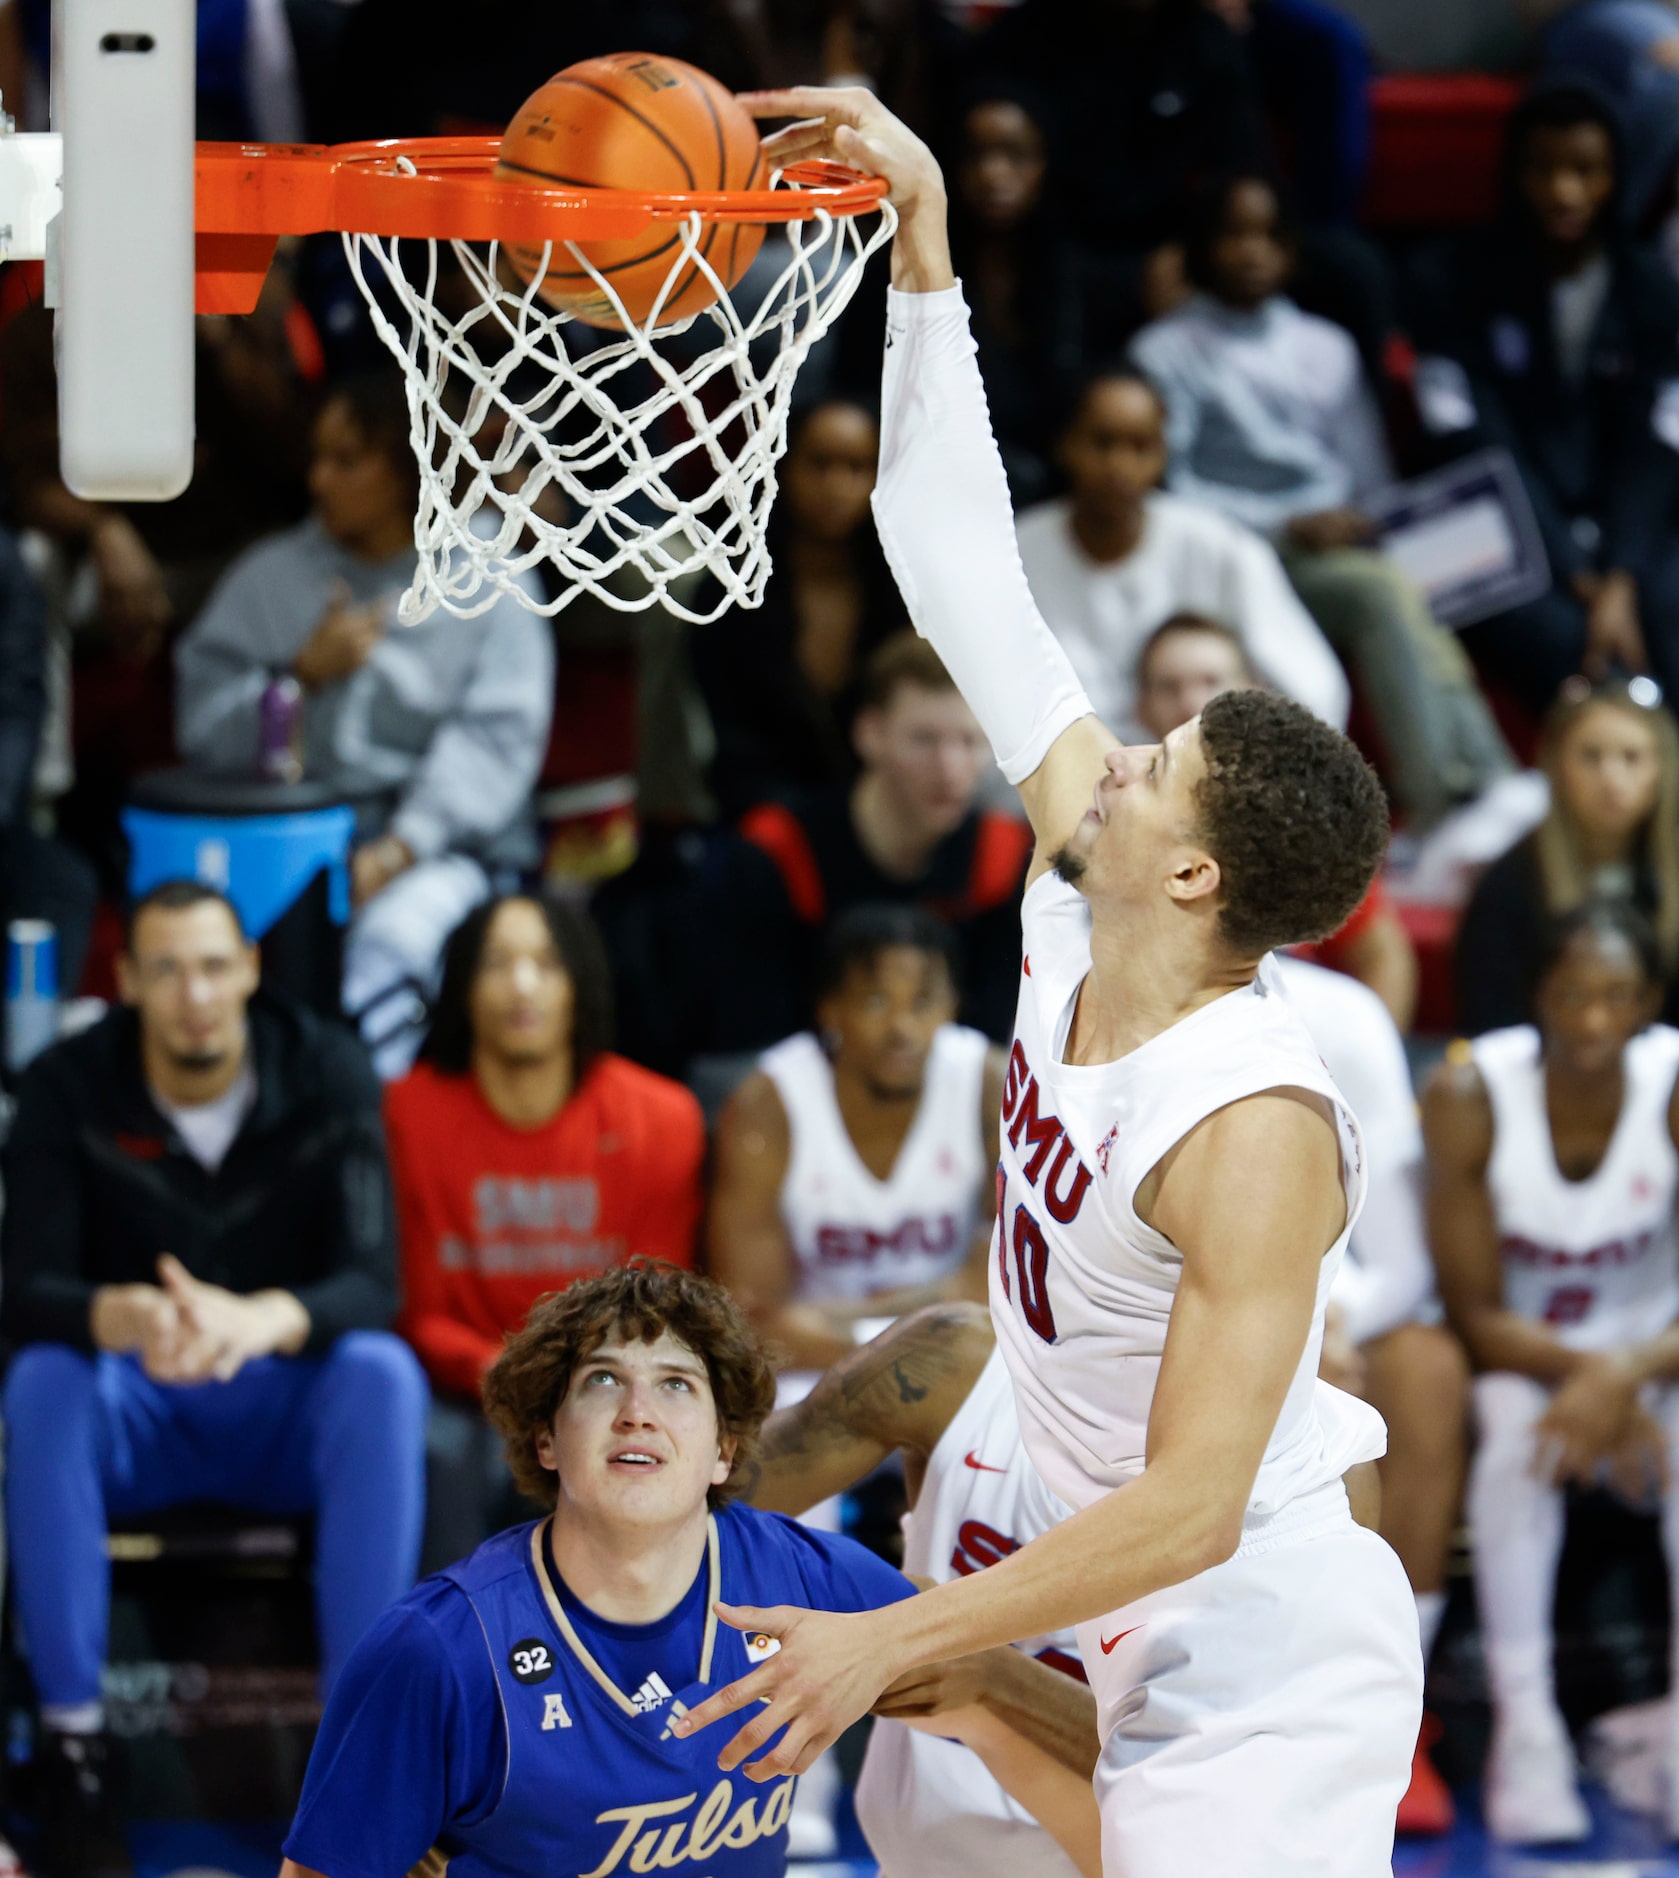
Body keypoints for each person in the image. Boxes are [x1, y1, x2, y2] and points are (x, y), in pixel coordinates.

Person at [668, 85, 1421, 1878]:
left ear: (1197, 874)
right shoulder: (1092, 892)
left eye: (1154, 761)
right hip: (1058, 1486)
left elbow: (1189, 1504)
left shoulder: (1251, 1125)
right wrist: (919, 257)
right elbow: (962, 574)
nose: (1110, 759)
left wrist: (894, 1640)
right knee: (920, 1360)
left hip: (1243, 1619)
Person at [277, 1262, 1098, 1878]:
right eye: (602, 1381)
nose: (638, 1409)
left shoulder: (808, 1584)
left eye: (676, 1385)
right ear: (545, 1441)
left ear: (724, 1451)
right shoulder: (437, 1652)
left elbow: (992, 1695)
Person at [0, 878, 425, 1878]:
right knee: (41, 1382)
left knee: (382, 1373)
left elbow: (374, 1281)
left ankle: (359, 1747)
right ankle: (74, 1745)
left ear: (250, 971)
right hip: (137, 1402)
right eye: (167, 970)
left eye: (211, 966)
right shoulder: (68, 1081)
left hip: (279, 1401)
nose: (194, 993)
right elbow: (24, 1290)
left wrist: (258, 1318)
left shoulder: (325, 1067)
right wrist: (129, 1314)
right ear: (127, 981)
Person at [173, 370, 554, 1075]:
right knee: (199, 950)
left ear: (409, 462)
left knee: (392, 943)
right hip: (284, 834)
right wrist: (297, 680)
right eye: (316, 458)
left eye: (347, 460)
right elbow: (198, 725)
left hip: (436, 851)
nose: (319, 480)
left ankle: (375, 1144)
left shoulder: (488, 567)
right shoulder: (271, 575)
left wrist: (400, 849)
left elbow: (498, 740)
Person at [1130, 170, 1513, 827]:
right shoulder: (1164, 352)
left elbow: (1366, 472)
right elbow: (1169, 487)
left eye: (1268, 236)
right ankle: (1440, 798)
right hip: (1240, 549)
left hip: (1337, 542)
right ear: (1200, 247)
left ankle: (1488, 780)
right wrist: (1285, 523)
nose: (1251, 252)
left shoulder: (1325, 346)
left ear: (1291, 251)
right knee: (1377, 591)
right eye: (1233, 235)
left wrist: (1371, 521)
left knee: (1436, 567)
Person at [1424, 899, 1679, 1843]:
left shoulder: (1673, 1079)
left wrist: (1628, 1373)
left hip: (1655, 1359)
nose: (1590, 1019)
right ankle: (1525, 1731)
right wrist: (1598, 1379)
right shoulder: (1468, 1093)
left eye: (1615, 996)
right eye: (1571, 994)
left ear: (1647, 1003)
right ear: (1538, 995)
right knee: (1509, 1447)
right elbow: (1475, 1316)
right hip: (1527, 1360)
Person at [388, 893, 707, 1570]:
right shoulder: (406, 1114)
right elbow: (415, 1309)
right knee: (432, 1449)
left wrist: (577, 1384)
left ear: (580, 984)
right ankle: (446, 1664)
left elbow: (656, 1301)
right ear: (462, 988)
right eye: (498, 963)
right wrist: (508, 1378)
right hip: (456, 1390)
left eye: (546, 963)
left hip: (608, 1383)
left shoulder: (662, 1119)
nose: (522, 984)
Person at [741, 1301, 1099, 1878]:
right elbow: (698, 1518)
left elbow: (1207, 1781)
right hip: (922, 1855)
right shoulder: (957, 1363)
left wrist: (994, 1681)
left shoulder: (1280, 1458)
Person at [1406, 80, 1679, 712]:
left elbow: (1657, 442)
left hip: (1626, 527)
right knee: (1560, 643)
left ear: (1616, 176)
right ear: (1514, 174)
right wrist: (1576, 574)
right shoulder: (1445, 279)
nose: (1565, 192)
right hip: (1493, 515)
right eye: (1545, 170)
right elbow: (1471, 437)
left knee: (1669, 616)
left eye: (1586, 171)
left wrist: (1621, 577)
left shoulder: (1653, 292)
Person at [709, 906, 1003, 1371]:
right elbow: (754, 1323)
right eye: (875, 1003)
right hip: (815, 1372)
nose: (902, 1029)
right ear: (830, 1010)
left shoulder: (990, 1086)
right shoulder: (768, 1106)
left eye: (923, 1002)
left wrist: (840, 1320)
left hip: (951, 1362)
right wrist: (931, 1318)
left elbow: (1006, 1290)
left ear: (951, 1006)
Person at [705, 632, 1031, 1049]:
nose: (950, 768)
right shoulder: (777, 852)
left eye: (970, 741)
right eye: (924, 739)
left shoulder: (1002, 857)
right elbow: (751, 1034)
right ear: (869, 734)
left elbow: (993, 1039)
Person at [1013, 371, 1349, 745]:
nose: (1119, 466)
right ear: (1065, 446)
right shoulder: (1014, 556)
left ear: (1163, 454)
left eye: (1141, 446)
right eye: (1102, 443)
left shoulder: (1219, 544)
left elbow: (1314, 691)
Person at [1132, 612, 1418, 1027]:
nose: (1190, 703)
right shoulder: (1112, 817)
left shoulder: (1300, 817)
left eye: (1211, 681)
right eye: (1169, 687)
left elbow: (1382, 951)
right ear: (1141, 708)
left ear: (1253, 691)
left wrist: (1368, 1057)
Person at [692, 398, 905, 821]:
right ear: (782, 467)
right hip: (754, 819)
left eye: (857, 467)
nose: (837, 486)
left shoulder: (904, 592)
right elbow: (723, 731)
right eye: (819, 464)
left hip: (886, 814)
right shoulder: (728, 587)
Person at [1456, 676, 1679, 1032]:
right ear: (1557, 766)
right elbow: (1491, 1024)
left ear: (1661, 770)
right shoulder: (1509, 885)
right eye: (1591, 756)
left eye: (1632, 757)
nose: (1612, 778)